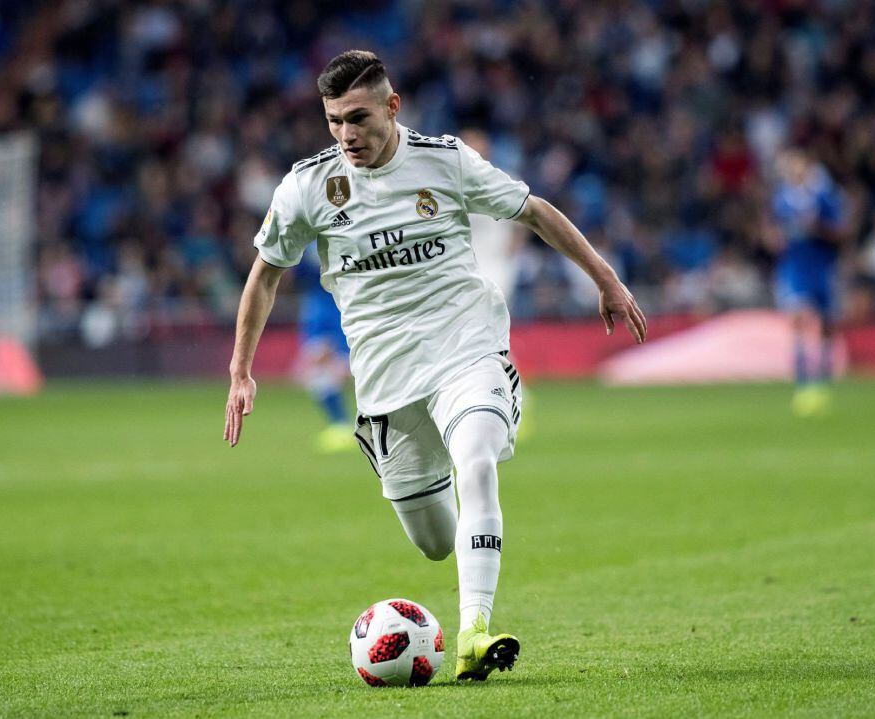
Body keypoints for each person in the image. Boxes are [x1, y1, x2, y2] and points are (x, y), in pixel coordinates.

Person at [223, 50, 646, 681]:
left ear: (392, 108)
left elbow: (533, 210)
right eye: (334, 120)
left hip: (465, 347)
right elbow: (265, 276)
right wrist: (241, 370)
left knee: (476, 459)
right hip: (387, 382)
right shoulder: (308, 186)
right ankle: (458, 518)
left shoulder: (445, 161)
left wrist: (606, 281)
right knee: (434, 542)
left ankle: (474, 629)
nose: (346, 135)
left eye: (358, 118)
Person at [770, 148, 847, 417]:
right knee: (800, 320)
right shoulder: (781, 199)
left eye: (798, 166)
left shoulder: (823, 197)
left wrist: (818, 228)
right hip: (795, 270)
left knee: (826, 325)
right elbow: (773, 233)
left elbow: (840, 232)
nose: (794, 171)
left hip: (822, 268)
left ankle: (823, 381)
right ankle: (803, 384)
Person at [295, 244, 355, 452]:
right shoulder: (305, 240)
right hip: (319, 310)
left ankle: (369, 423)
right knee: (315, 371)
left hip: (346, 306)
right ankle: (340, 425)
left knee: (355, 370)